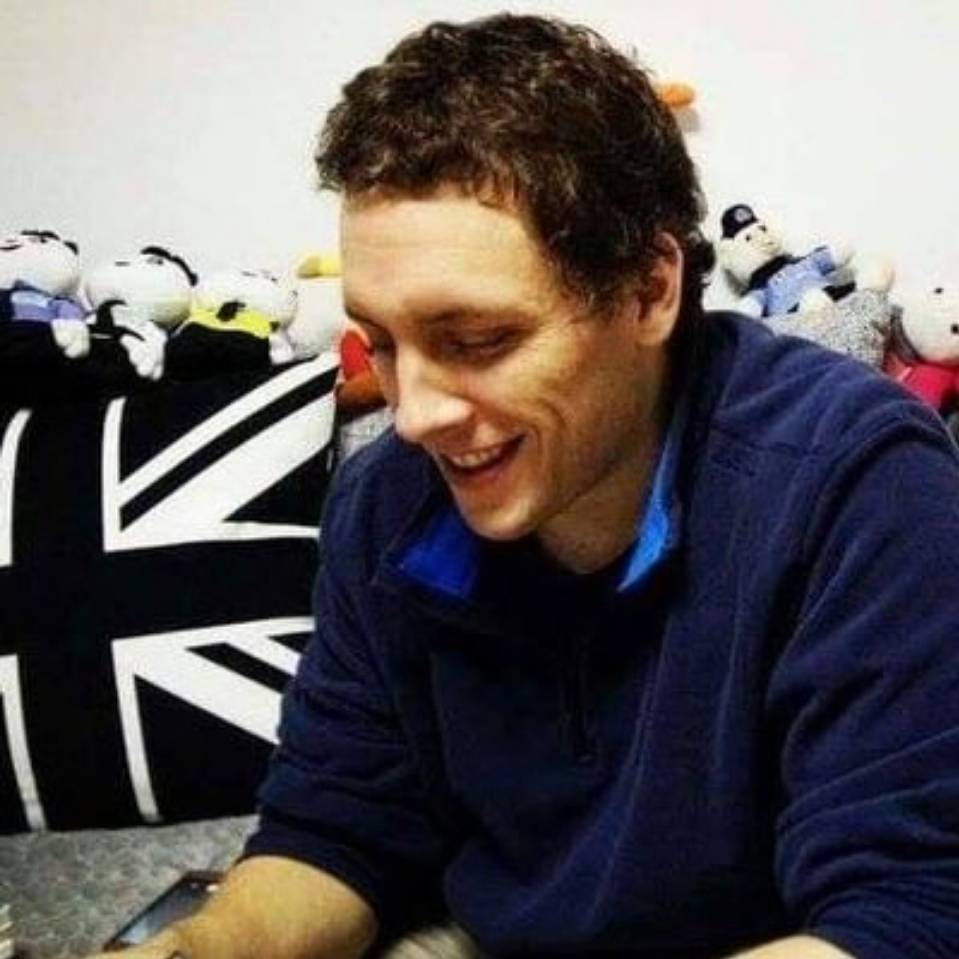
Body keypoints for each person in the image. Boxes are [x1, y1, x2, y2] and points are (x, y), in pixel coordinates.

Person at [101, 13, 959, 959]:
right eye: (380, 343)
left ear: (648, 290)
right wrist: (196, 949)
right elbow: (337, 827)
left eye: (477, 341)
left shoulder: (857, 482)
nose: (414, 414)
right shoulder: (386, 502)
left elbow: (908, 917)